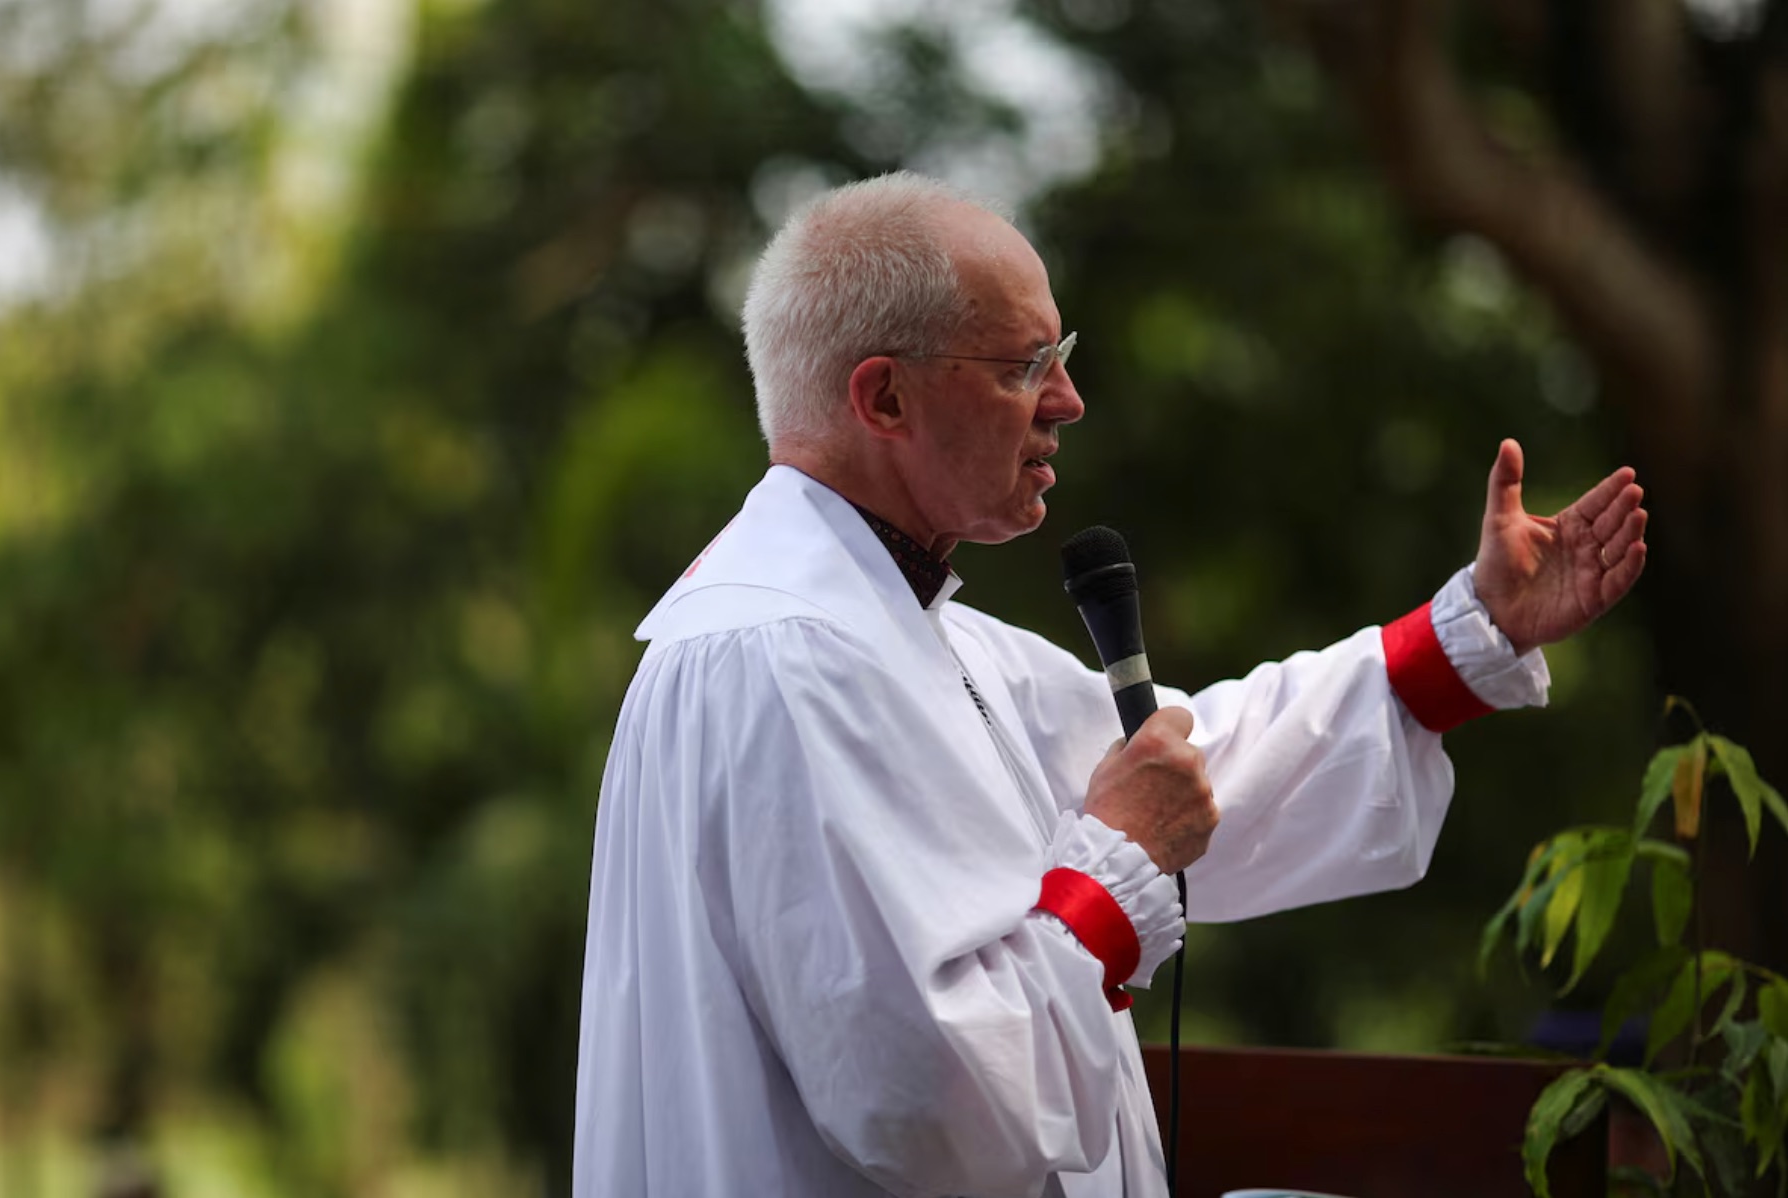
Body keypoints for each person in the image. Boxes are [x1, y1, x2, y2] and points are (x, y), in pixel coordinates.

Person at [571, 172, 1648, 1198]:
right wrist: (1116, 867)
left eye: (1061, 354)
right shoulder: (783, 659)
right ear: (884, 396)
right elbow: (924, 1101)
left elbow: (1184, 768)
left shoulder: (912, 640)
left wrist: (1461, 642)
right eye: (1022, 364)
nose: (1068, 401)